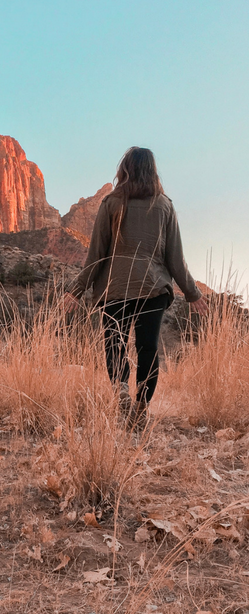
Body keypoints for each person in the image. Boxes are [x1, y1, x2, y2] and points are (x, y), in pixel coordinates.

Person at [65, 147, 208, 428]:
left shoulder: (111, 203)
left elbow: (96, 255)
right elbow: (175, 259)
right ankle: (141, 407)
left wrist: (76, 290)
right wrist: (193, 294)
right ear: (152, 170)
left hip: (114, 287)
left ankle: (120, 388)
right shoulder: (164, 206)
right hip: (152, 288)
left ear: (125, 169)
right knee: (147, 348)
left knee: (114, 344)